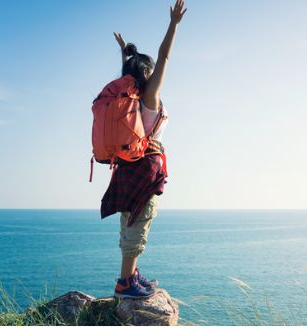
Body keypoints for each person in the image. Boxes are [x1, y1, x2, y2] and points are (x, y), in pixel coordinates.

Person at [100, 0, 187, 299]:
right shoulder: (148, 96)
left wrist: (126, 50)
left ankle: (131, 274)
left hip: (127, 165)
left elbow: (131, 68)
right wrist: (173, 24)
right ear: (147, 73)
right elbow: (164, 56)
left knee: (130, 220)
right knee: (141, 220)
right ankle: (126, 283)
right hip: (145, 167)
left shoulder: (131, 97)